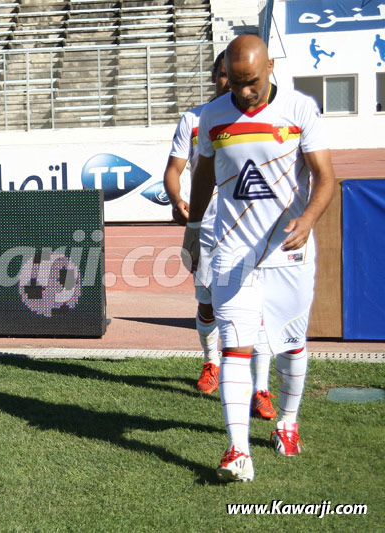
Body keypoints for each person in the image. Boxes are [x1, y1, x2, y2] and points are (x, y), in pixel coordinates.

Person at [183, 35, 335, 482]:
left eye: (251, 82)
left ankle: (287, 422)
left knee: (290, 345)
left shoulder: (300, 109)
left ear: (270, 66)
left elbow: (325, 178)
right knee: (235, 344)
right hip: (232, 252)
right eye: (234, 82)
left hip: (287, 251)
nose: (243, 92)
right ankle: (237, 450)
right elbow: (203, 176)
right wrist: (193, 232)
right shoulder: (212, 116)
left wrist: (307, 220)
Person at [165, 51, 276, 419]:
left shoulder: (266, 116)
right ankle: (211, 363)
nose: (231, 83)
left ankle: (261, 388)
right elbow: (175, 169)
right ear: (215, 77)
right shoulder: (195, 120)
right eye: (225, 75)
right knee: (208, 303)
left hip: (254, 229)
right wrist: (177, 198)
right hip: (209, 229)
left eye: (239, 76)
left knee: (258, 309)